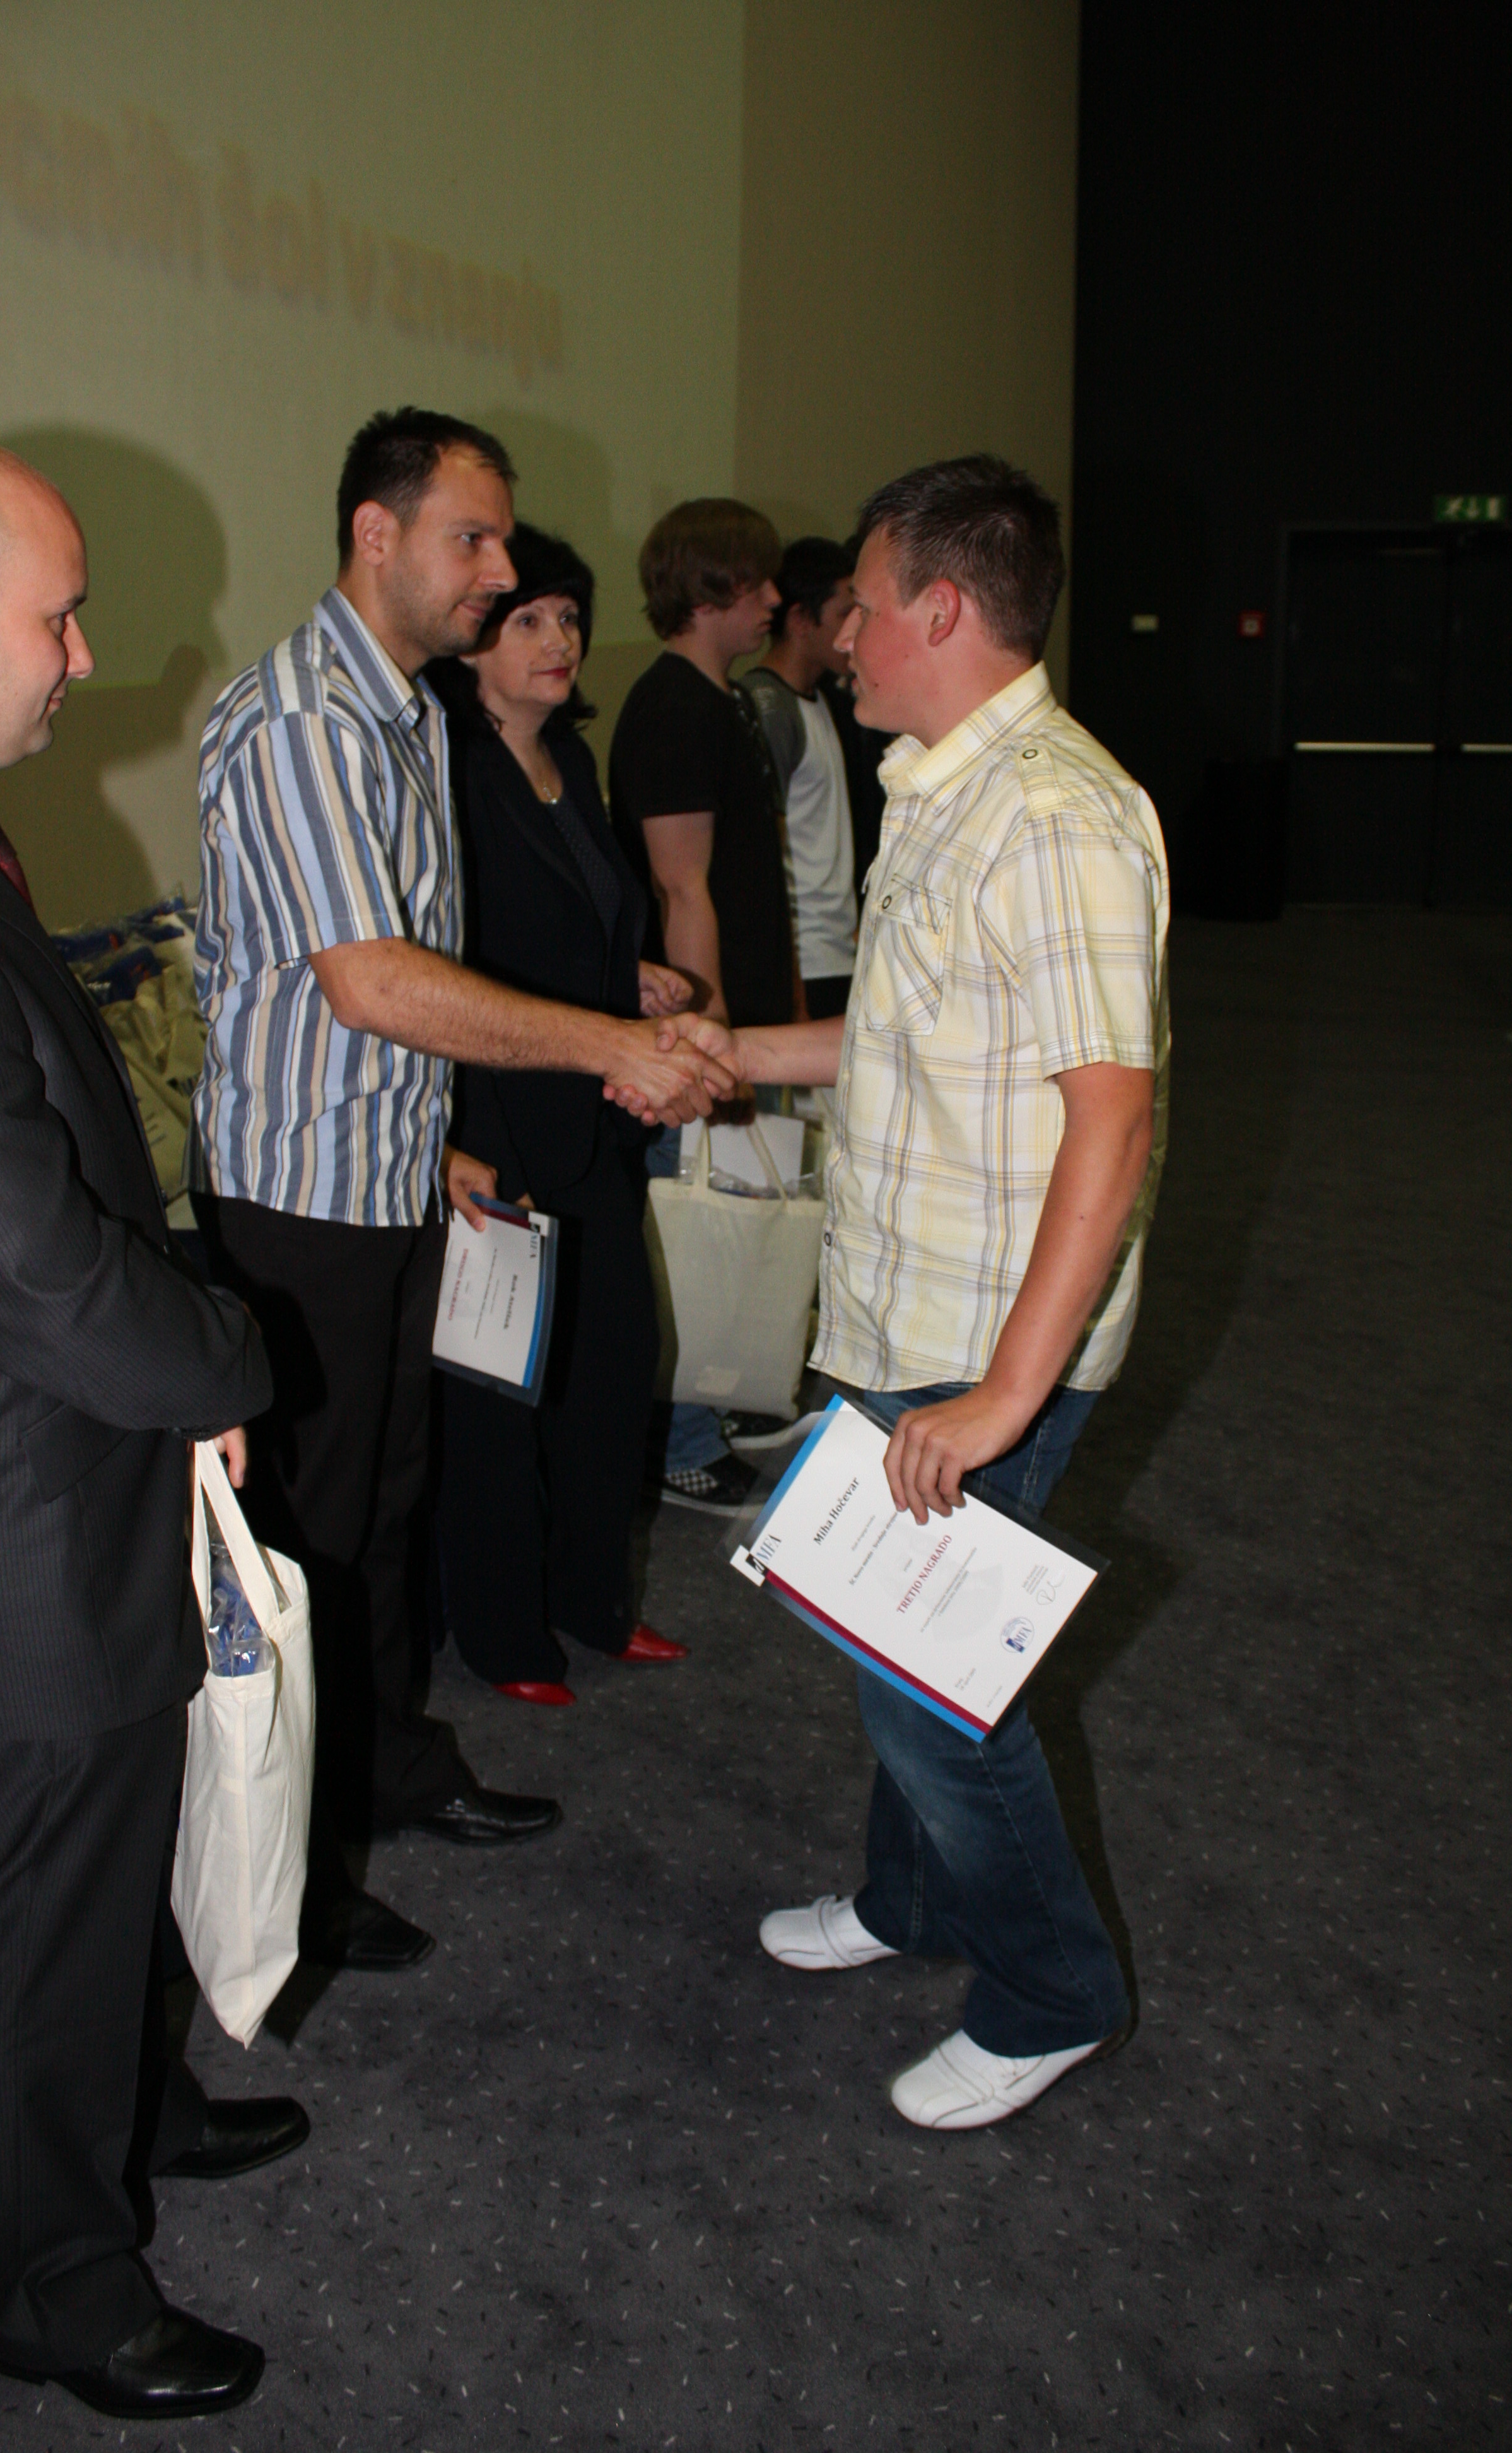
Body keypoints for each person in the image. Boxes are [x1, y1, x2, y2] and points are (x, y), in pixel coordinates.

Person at [663, 455, 1169, 2130]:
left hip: (980, 1348)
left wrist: (1006, 1395)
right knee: (891, 1643)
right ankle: (913, 1901)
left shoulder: (1056, 813)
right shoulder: (946, 785)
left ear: (941, 609)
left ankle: (1055, 1991)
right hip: (904, 1320)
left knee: (935, 1693)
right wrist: (723, 1052)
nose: (839, 630)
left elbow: (1112, 1115)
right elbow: (894, 1041)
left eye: (861, 604)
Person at [192, 411, 730, 1969]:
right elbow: (372, 981)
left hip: (389, 1180)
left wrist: (439, 1140)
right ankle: (292, 1876)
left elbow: (382, 984)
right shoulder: (304, 721)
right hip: (298, 1203)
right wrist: (613, 1045)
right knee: (309, 1540)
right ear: (377, 535)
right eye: (471, 539)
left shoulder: (411, 714)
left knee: (386, 1507)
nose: (500, 572)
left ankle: (388, 1773)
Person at [0, 430, 294, 2420]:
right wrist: (226, 1362)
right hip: (1, 1520)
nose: (83, 655)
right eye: (58, 618)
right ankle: (55, 2283)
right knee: (35, 1905)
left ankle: (120, 2113)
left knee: (101, 1859)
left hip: (50, 1469)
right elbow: (33, 1269)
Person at [425, 525, 691, 1703]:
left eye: (570, 617)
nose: (559, 639)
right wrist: (457, 1135)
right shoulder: (449, 768)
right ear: (471, 642)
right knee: (497, 1402)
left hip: (596, 1118)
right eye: (528, 619)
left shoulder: (568, 761)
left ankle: (594, 1601)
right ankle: (504, 1634)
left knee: (612, 1371)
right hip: (495, 1128)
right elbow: (449, 965)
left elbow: (578, 923)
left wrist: (631, 975)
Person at [607, 497, 797, 1512]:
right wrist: (710, 1044)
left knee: (730, 1231)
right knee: (691, 1236)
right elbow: (683, 890)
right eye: (755, 581)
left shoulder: (718, 701)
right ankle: (679, 1439)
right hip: (701, 1028)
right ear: (709, 589)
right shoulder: (674, 708)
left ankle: (714, 1405)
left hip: (745, 1018)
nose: (773, 599)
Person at [738, 536, 860, 1019]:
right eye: (844, 613)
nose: (854, 629)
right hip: (805, 965)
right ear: (801, 621)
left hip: (839, 954)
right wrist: (791, 991)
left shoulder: (825, 700)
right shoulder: (768, 706)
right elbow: (762, 859)